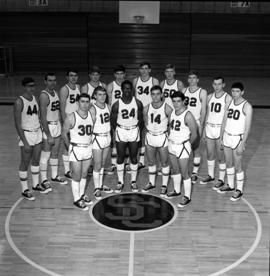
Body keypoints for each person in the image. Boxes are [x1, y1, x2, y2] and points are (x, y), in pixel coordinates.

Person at [218, 82, 253, 201]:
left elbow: (247, 127)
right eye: (233, 91)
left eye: (237, 91)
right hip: (227, 135)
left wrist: (243, 143)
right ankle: (230, 185)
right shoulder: (228, 103)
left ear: (242, 92)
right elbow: (224, 121)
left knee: (238, 165)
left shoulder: (247, 106)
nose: (235, 93)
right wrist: (221, 138)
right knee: (228, 163)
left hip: (238, 138)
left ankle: (239, 190)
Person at [14, 77, 45, 200]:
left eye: (33, 85)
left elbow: (38, 118)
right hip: (26, 134)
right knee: (25, 162)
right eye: (29, 86)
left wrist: (42, 132)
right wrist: (25, 141)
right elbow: (17, 123)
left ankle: (36, 184)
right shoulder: (19, 102)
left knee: (36, 160)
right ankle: (25, 189)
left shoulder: (35, 98)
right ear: (24, 87)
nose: (32, 88)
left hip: (37, 132)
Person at [110, 80, 144, 193]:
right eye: (125, 88)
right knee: (120, 157)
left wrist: (134, 128)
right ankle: (120, 182)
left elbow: (140, 119)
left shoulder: (138, 103)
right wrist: (120, 130)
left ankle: (133, 181)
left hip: (134, 131)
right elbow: (113, 121)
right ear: (122, 89)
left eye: (129, 88)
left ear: (132, 89)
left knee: (134, 157)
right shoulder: (116, 104)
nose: (127, 90)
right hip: (121, 131)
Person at [62, 93, 94, 210]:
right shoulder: (71, 117)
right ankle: (76, 199)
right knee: (76, 175)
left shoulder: (92, 116)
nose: (85, 104)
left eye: (87, 101)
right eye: (82, 101)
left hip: (88, 148)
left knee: (84, 174)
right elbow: (64, 134)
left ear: (89, 103)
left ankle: (81, 195)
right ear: (77, 103)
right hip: (76, 148)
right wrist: (69, 147)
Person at [200, 77, 232, 189]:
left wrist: (224, 133)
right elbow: (207, 114)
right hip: (209, 128)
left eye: (219, 84)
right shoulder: (209, 97)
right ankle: (211, 175)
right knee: (209, 154)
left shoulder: (228, 98)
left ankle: (221, 179)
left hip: (220, 129)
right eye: (215, 84)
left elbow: (227, 118)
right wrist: (204, 129)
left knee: (221, 156)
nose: (217, 86)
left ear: (223, 85)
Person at [168, 91, 198, 207]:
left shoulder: (188, 115)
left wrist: (187, 146)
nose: (176, 104)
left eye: (178, 101)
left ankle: (187, 196)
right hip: (172, 144)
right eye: (174, 101)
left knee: (185, 173)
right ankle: (176, 190)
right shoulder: (172, 113)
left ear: (184, 101)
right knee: (175, 170)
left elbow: (195, 134)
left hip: (182, 146)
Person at [142, 85, 173, 196]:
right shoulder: (146, 108)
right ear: (151, 95)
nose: (155, 96)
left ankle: (164, 185)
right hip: (150, 136)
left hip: (162, 137)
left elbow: (172, 124)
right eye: (153, 94)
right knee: (150, 162)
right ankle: (151, 182)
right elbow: (145, 123)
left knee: (164, 162)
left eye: (157, 94)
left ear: (161, 95)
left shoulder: (167, 108)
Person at [39, 73, 67, 190]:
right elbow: (43, 117)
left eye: (54, 80)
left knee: (55, 153)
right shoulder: (44, 95)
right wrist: (48, 134)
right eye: (50, 80)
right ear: (45, 81)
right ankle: (44, 179)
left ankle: (54, 175)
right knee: (45, 154)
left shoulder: (55, 93)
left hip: (57, 125)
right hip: (49, 127)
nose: (52, 82)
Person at [133, 62, 159, 168]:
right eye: (142, 69)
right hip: (139, 112)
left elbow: (158, 96)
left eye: (146, 68)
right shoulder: (136, 81)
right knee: (140, 135)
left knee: (151, 135)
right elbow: (133, 96)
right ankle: (142, 161)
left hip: (151, 112)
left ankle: (153, 160)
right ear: (139, 70)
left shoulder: (154, 81)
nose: (144, 71)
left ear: (150, 70)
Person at [183, 70, 207, 183]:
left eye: (194, 78)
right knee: (183, 148)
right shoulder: (183, 91)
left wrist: (201, 127)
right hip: (184, 123)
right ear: (187, 79)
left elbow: (204, 111)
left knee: (195, 149)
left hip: (196, 122)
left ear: (198, 80)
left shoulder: (202, 92)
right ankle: (184, 170)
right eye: (190, 78)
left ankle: (194, 173)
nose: (192, 80)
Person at [90, 86, 113, 200]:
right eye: (99, 94)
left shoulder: (108, 107)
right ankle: (96, 188)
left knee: (103, 164)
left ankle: (100, 185)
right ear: (95, 96)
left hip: (107, 137)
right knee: (97, 164)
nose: (102, 97)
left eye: (104, 94)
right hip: (97, 138)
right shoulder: (92, 108)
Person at [59, 69, 81, 179]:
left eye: (75, 75)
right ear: (67, 77)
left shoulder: (78, 87)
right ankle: (67, 170)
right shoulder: (64, 89)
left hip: (76, 120)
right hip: (68, 120)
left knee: (74, 144)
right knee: (66, 145)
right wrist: (64, 124)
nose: (73, 77)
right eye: (71, 75)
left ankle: (74, 168)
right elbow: (62, 108)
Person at [106, 65, 126, 172]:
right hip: (114, 115)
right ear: (114, 75)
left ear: (124, 74)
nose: (119, 76)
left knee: (126, 138)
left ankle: (126, 162)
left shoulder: (128, 85)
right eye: (117, 74)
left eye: (121, 73)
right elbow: (108, 103)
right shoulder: (110, 86)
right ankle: (113, 162)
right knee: (113, 138)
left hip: (126, 115)